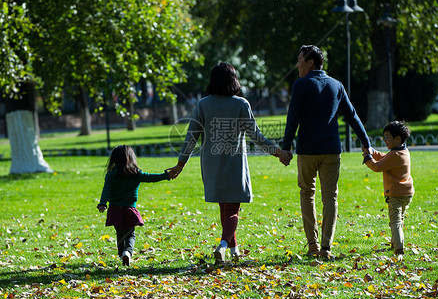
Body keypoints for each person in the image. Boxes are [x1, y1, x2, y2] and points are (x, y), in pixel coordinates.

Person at [167, 62, 292, 264]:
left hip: (211, 164)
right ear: (234, 80)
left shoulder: (203, 104)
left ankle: (233, 251)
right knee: (233, 209)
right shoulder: (241, 104)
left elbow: (191, 137)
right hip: (234, 163)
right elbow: (257, 137)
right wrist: (278, 153)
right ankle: (223, 245)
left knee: (225, 207)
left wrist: (180, 164)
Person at [281, 45, 372, 259]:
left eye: (300, 60)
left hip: (308, 150)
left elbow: (292, 118)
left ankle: (312, 244)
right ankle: (326, 247)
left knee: (307, 193)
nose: (297, 65)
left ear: (310, 62)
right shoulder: (336, 85)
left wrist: (286, 148)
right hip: (332, 149)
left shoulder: (301, 85)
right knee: (330, 196)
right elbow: (352, 115)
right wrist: (365, 141)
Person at [97, 145, 171, 266]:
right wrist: (166, 175)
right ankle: (128, 253)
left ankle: (122, 255)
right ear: (131, 158)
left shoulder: (111, 174)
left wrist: (102, 203)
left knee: (120, 233)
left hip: (115, 210)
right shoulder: (135, 174)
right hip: (129, 209)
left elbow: (106, 190)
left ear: (114, 159)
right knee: (130, 234)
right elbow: (151, 177)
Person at [362, 121, 414, 259]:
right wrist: (373, 152)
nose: (385, 140)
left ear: (397, 139)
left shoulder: (394, 155)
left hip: (396, 194)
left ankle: (399, 249)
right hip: (406, 193)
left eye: (387, 138)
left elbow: (378, 166)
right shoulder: (403, 151)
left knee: (395, 222)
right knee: (399, 219)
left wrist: (368, 158)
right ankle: (395, 244)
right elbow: (386, 158)